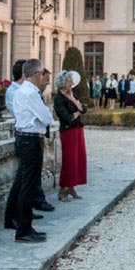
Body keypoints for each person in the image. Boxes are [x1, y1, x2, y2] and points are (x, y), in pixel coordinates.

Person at [5, 59, 53, 243]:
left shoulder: (22, 91)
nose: (44, 76)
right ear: (36, 74)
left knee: (23, 183)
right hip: (31, 140)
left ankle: (18, 222)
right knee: (28, 185)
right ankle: (24, 230)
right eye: (42, 73)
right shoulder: (30, 93)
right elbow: (46, 117)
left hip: (25, 138)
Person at [53, 70, 87, 203]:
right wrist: (78, 111)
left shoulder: (73, 94)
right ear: (63, 83)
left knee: (78, 159)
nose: (72, 84)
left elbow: (84, 109)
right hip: (68, 132)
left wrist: (74, 101)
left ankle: (72, 188)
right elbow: (67, 118)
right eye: (69, 82)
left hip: (78, 129)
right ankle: (62, 190)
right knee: (69, 160)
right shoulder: (58, 99)